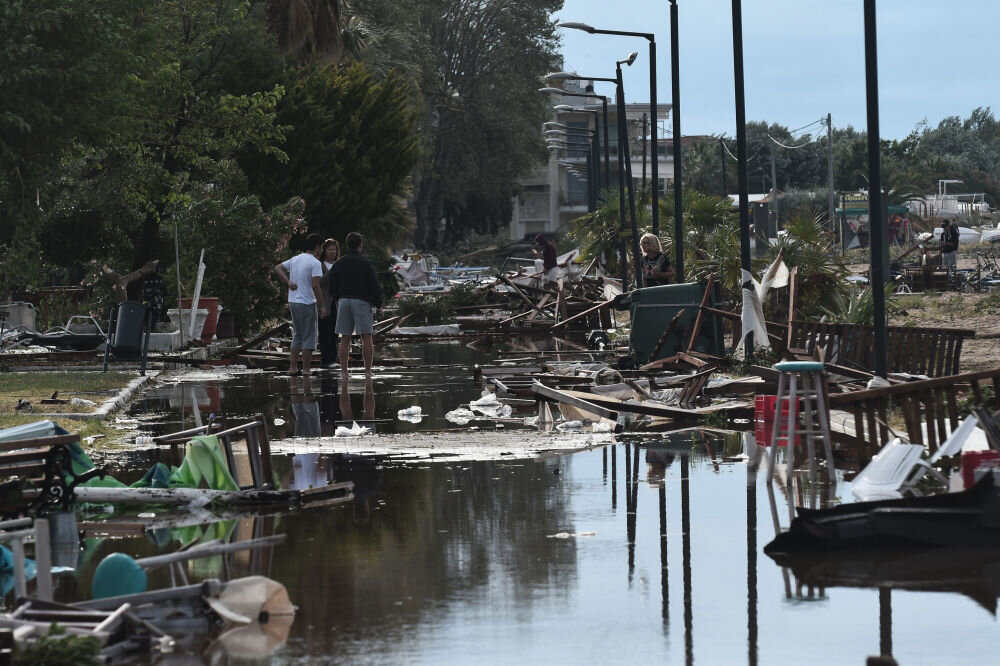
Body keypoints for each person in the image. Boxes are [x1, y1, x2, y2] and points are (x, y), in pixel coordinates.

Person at [329, 232, 382, 380]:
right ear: (360, 245)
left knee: (344, 338)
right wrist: (378, 303)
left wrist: (337, 298)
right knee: (366, 337)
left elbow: (332, 285)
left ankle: (344, 372)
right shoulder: (365, 263)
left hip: (344, 301)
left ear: (347, 245)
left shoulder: (338, 263)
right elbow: (374, 285)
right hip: (361, 301)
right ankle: (367, 371)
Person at [273, 232, 326, 376]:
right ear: (317, 247)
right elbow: (315, 286)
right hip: (307, 302)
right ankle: (307, 369)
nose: (322, 250)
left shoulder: (296, 259)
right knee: (309, 335)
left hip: (293, 301)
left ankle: (293, 367)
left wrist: (288, 282)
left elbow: (278, 268)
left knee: (298, 335)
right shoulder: (315, 263)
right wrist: (322, 305)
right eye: (321, 247)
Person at [317, 239, 340, 368]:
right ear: (324, 251)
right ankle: (326, 360)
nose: (332, 252)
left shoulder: (338, 264)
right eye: (330, 249)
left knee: (335, 332)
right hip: (324, 303)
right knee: (325, 332)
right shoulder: (320, 265)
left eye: (334, 249)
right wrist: (333, 271)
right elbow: (320, 283)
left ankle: (333, 359)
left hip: (336, 303)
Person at [940, 219, 960, 284]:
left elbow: (954, 244)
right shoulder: (943, 234)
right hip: (945, 252)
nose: (944, 229)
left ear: (948, 226)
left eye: (945, 227)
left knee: (951, 268)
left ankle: (953, 283)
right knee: (945, 267)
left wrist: (945, 243)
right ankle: (945, 282)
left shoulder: (953, 232)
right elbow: (942, 243)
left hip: (952, 252)